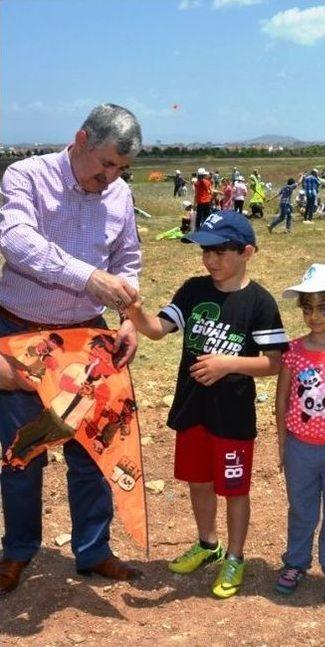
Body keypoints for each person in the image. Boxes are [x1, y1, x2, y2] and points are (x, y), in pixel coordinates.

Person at [0, 103, 143, 595]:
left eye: (121, 169)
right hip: (23, 336)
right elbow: (16, 240)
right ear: (80, 140)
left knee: (92, 450)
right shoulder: (27, 176)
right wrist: (87, 276)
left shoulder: (120, 195)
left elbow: (128, 258)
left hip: (88, 339)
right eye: (106, 163)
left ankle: (93, 550)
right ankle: (18, 551)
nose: (112, 177)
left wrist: (128, 320)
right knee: (22, 452)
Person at [125, 210, 288, 599]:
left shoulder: (259, 302)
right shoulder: (193, 290)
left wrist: (228, 363)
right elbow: (156, 329)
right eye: (205, 252)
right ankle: (207, 543)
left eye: (220, 252)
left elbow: (276, 361)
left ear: (247, 252)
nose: (210, 260)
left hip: (232, 415)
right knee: (198, 481)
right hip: (192, 407)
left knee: (234, 488)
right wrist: (132, 307)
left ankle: (235, 555)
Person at [274, 264, 325, 601]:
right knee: (301, 508)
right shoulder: (293, 351)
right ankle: (295, 562)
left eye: (324, 308)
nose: (314, 316)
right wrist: (283, 445)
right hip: (300, 447)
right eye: (307, 308)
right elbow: (281, 401)